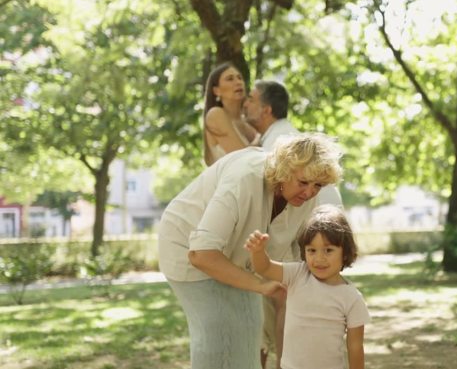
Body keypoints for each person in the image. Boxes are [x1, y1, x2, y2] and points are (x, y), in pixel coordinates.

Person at [157, 133, 343, 369]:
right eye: (303, 182)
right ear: (285, 172)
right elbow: (201, 254)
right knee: (219, 330)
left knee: (249, 329)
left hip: (234, 257)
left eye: (318, 186)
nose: (309, 193)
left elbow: (294, 258)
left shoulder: (304, 201)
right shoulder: (244, 178)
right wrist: (260, 285)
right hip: (186, 247)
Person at [242, 79, 344, 368]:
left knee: (284, 312)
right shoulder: (279, 138)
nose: (245, 104)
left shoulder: (280, 146)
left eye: (251, 98)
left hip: (311, 240)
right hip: (313, 239)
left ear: (266, 109)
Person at [244, 204, 370, 369]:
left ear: (345, 252)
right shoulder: (297, 274)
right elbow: (265, 268)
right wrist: (258, 252)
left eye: (328, 250)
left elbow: (355, 347)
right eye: (312, 250)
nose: (319, 258)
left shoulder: (352, 298)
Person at [202, 62, 259, 166]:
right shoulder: (215, 114)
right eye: (230, 79)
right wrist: (260, 139)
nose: (238, 82)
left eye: (239, 78)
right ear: (216, 91)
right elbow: (244, 159)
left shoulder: (249, 122)